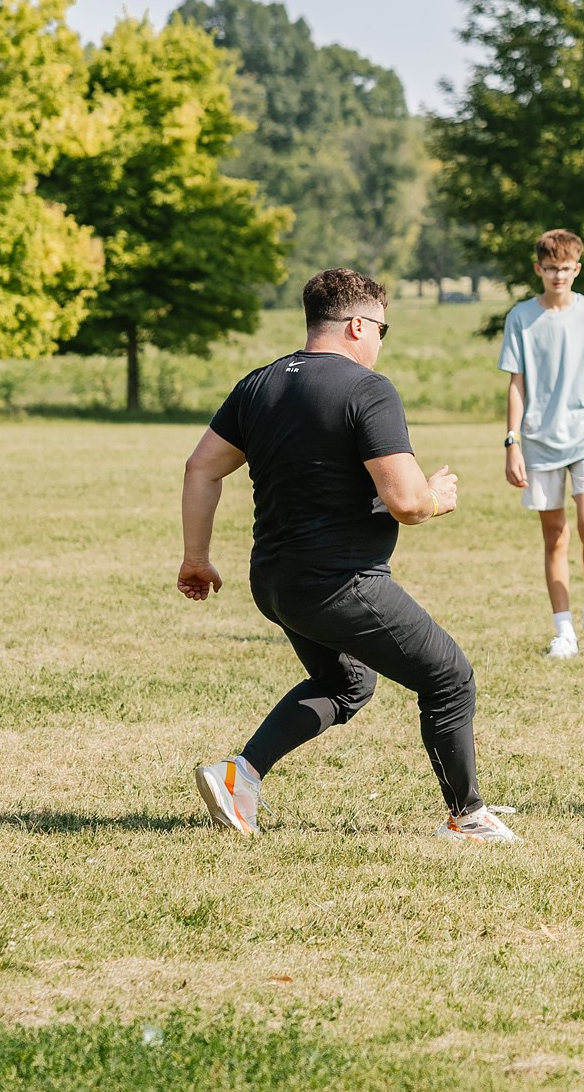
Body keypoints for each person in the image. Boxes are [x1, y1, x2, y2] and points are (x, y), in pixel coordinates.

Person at [179, 268, 516, 843]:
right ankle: (467, 818)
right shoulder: (368, 389)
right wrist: (436, 497)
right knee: (449, 678)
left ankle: (240, 776)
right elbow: (406, 502)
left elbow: (201, 468)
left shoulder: (259, 384)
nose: (382, 342)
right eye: (383, 329)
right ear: (358, 325)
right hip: (341, 582)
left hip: (275, 581)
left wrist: (196, 558)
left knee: (346, 683)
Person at [499, 230, 584, 658]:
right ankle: (564, 631)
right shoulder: (521, 317)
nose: (558, 276)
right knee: (555, 537)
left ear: (577, 269)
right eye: (550, 269)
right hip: (539, 439)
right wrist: (512, 442)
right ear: (538, 269)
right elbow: (517, 383)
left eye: (565, 269)